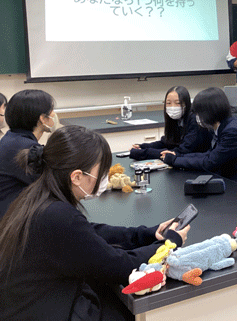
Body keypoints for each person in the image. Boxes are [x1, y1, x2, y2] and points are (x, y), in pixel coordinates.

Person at [0, 125, 189, 321]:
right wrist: (168, 244)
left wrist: (145, 234)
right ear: (77, 177)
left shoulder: (37, 197)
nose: (103, 178)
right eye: (101, 171)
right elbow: (121, 267)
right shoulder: (59, 216)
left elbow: (90, 232)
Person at [161, 87, 237, 189]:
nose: (197, 117)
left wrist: (175, 160)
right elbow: (209, 154)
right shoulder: (222, 125)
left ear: (210, 111)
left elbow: (210, 162)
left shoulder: (232, 131)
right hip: (232, 182)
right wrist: (178, 156)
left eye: (199, 113)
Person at [0, 89, 58, 218]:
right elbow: (53, 186)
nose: (54, 114)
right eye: (52, 110)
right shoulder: (27, 149)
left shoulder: (11, 138)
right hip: (12, 220)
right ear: (42, 118)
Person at [129, 86, 211, 160]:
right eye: (168, 103)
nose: (172, 107)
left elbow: (180, 151)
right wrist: (142, 146)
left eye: (178, 103)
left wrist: (144, 153)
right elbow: (166, 142)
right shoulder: (175, 119)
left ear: (186, 103)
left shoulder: (195, 120)